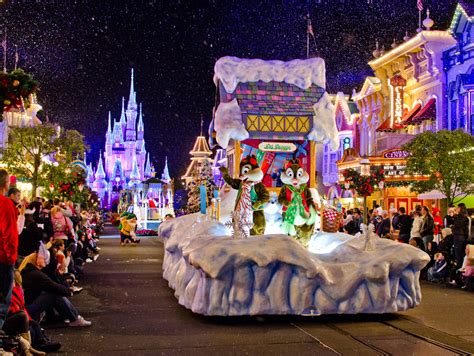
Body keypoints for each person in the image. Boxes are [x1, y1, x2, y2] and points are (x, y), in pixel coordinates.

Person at [20, 245, 91, 327]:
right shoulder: (35, 274)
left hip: (25, 309)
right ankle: (74, 318)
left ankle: (67, 317)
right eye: (43, 258)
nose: (46, 260)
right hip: (27, 311)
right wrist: (69, 291)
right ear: (36, 260)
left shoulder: (30, 272)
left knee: (51, 292)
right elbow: (53, 285)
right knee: (53, 294)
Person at [0, 169, 19, 346]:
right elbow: (9, 236)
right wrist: (10, 259)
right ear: (6, 185)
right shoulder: (6, 204)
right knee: (2, 302)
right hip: (2, 260)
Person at [452, 204, 470, 270]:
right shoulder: (466, 218)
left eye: (457, 207)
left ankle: (459, 270)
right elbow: (466, 229)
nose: (456, 208)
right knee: (462, 254)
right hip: (463, 237)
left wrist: (453, 229)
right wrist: (466, 237)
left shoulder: (457, 217)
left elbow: (456, 226)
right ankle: (463, 269)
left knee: (458, 255)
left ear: (460, 208)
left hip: (458, 237)